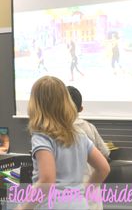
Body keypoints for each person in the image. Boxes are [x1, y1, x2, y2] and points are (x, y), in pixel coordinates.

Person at [17, 76, 110, 210]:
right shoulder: (80, 134)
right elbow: (103, 168)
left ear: (35, 105)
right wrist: (84, 192)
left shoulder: (42, 137)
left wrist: (22, 208)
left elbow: (47, 180)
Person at [67, 86, 110, 210]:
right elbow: (105, 153)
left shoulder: (58, 132)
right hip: (92, 188)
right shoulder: (89, 127)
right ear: (81, 109)